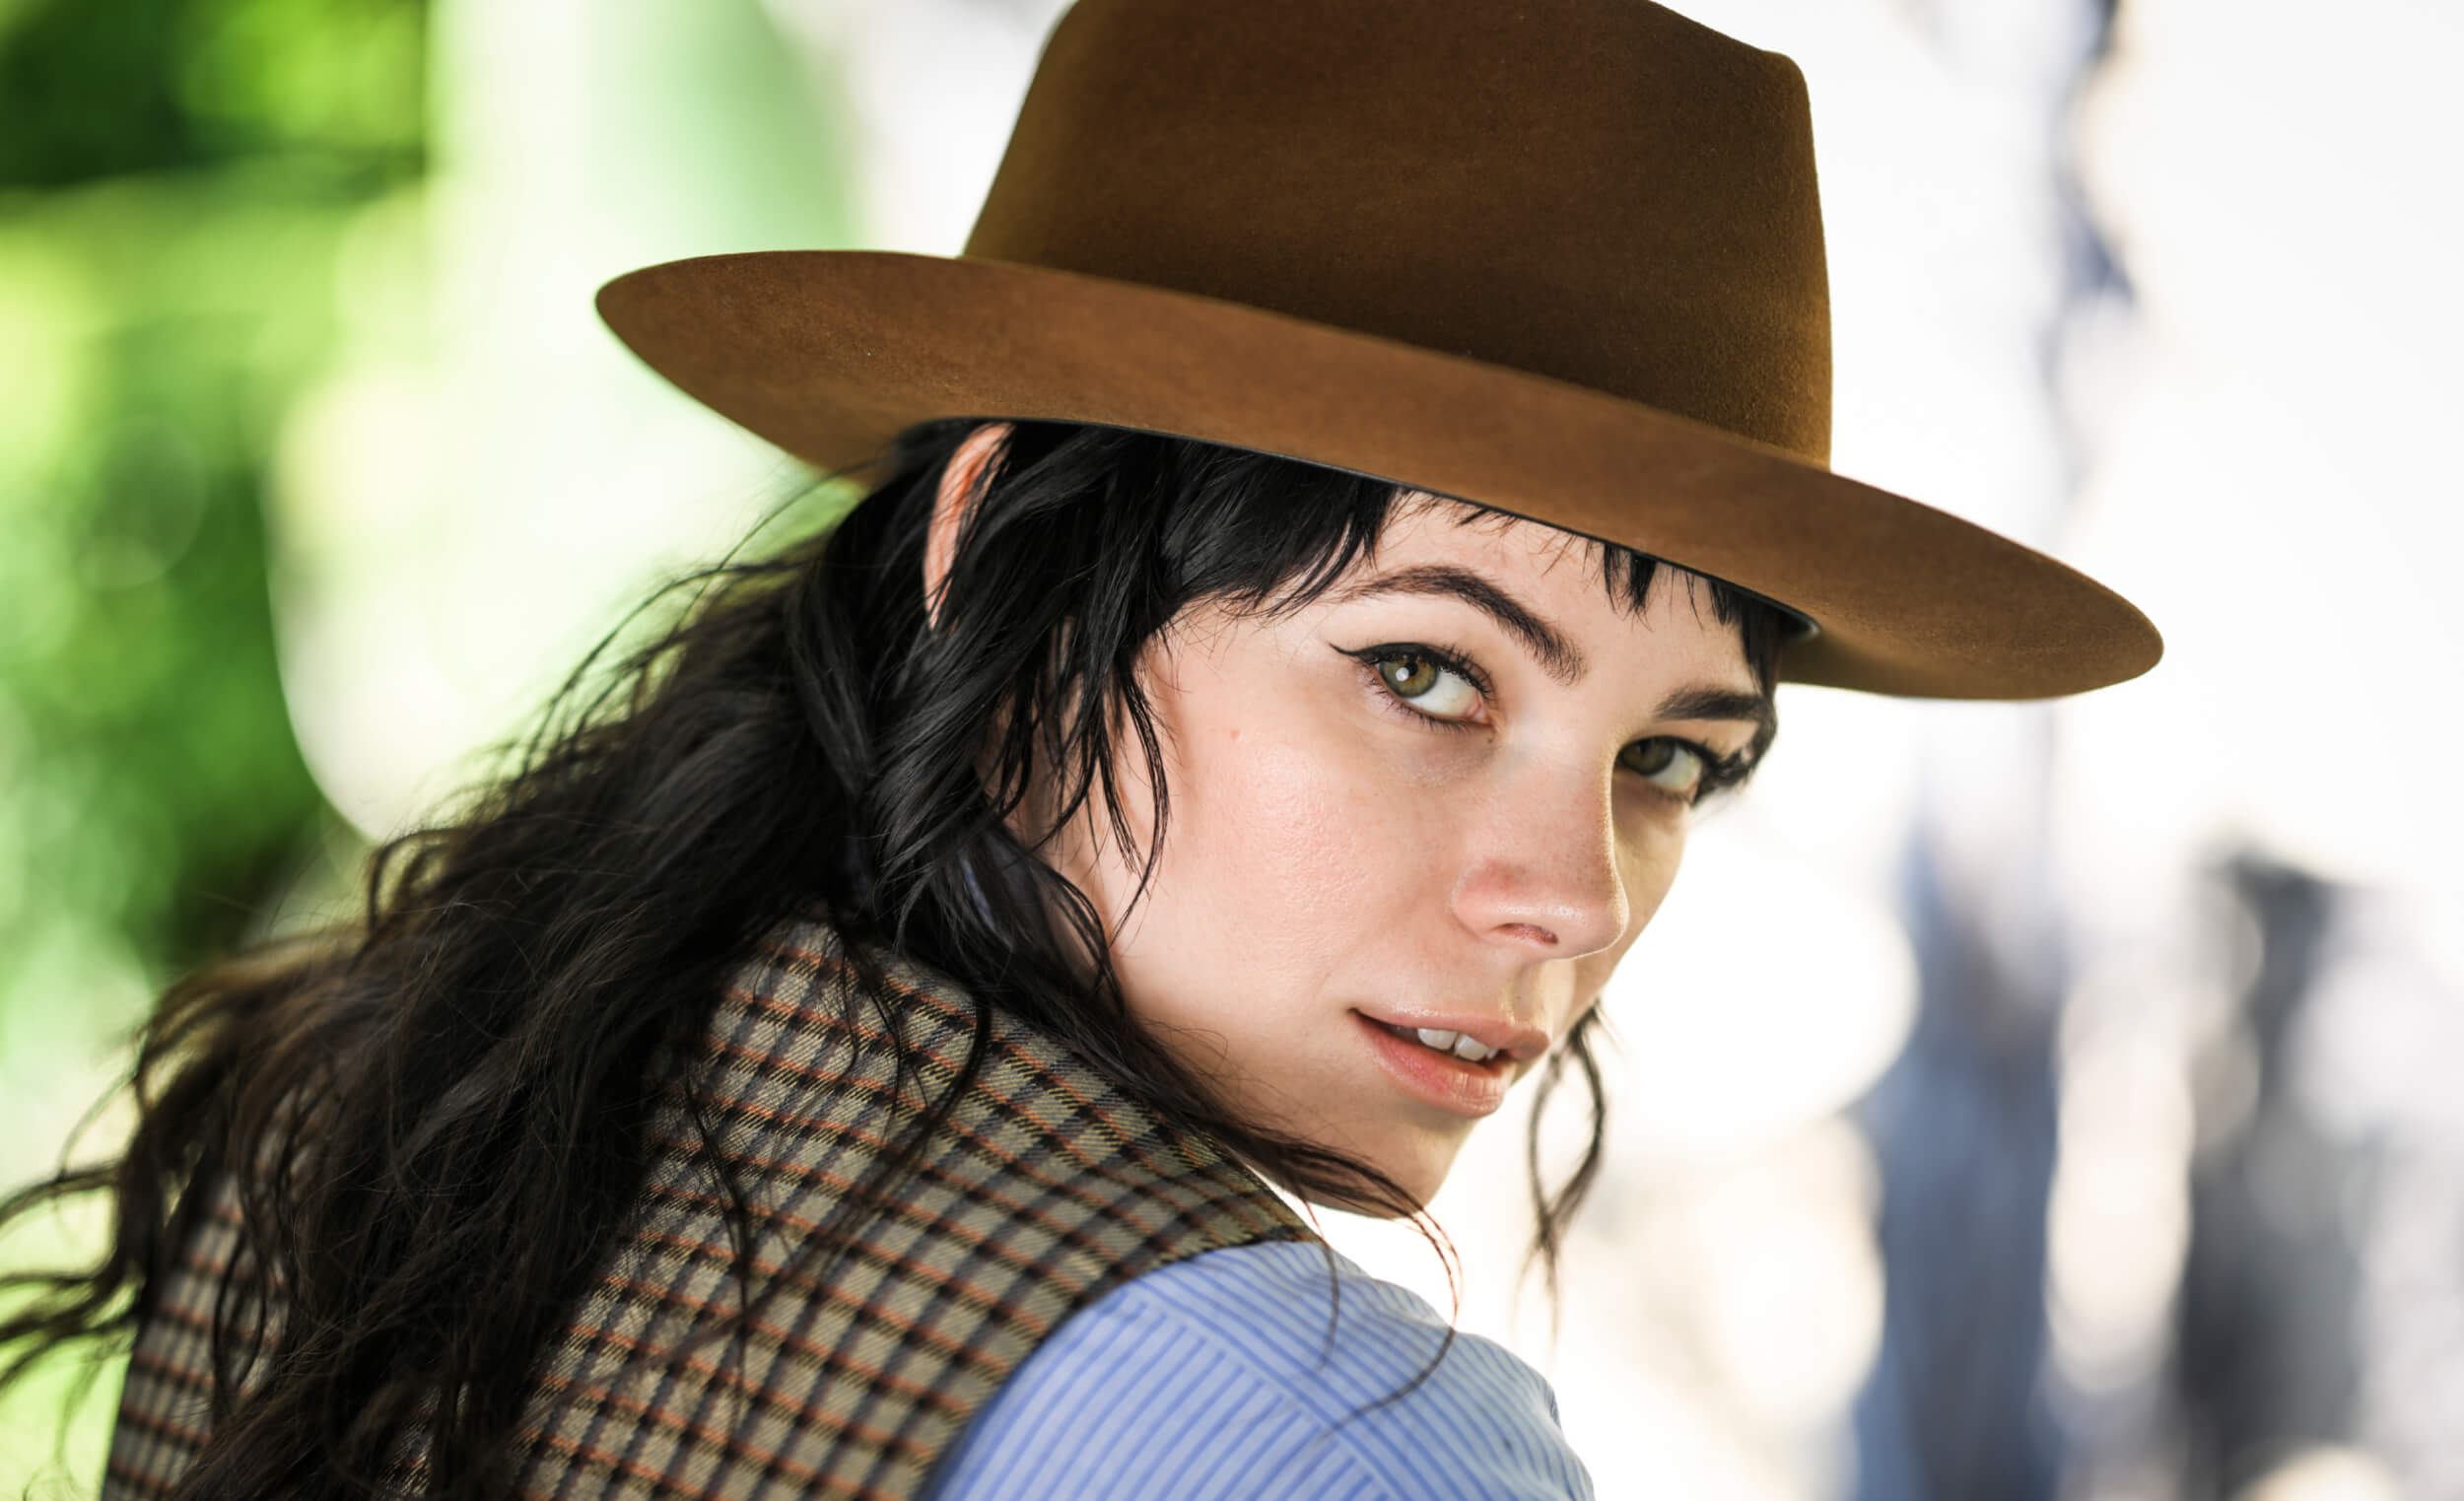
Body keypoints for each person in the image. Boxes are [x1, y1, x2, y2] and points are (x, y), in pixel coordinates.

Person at [0, 1, 2160, 1497]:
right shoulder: (1317, 1443)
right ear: (993, 547)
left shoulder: (370, 1100)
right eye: (1425, 674)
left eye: (1673, 757)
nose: (1578, 896)